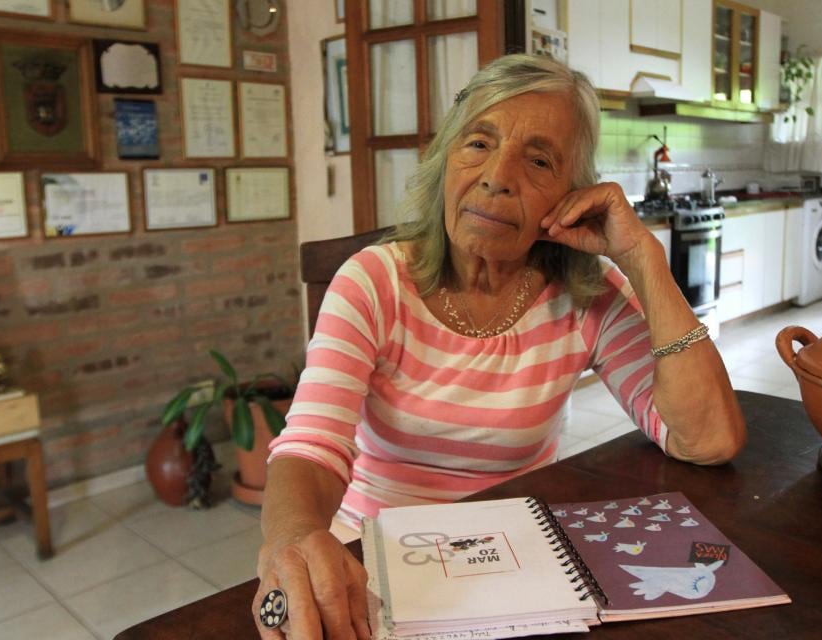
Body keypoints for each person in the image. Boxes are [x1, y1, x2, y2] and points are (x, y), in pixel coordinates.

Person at [252, 54, 745, 639]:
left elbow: (707, 440)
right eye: (479, 143)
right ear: (446, 160)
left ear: (572, 195)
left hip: (522, 561)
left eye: (538, 161)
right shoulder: (373, 282)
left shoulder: (586, 295)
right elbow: (311, 446)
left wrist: (643, 258)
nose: (496, 176)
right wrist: (293, 540)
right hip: (377, 560)